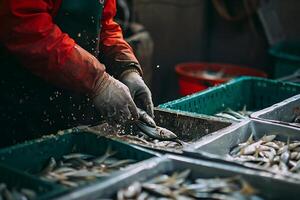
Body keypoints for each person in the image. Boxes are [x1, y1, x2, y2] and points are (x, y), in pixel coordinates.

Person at [0, 0, 154, 147]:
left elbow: (104, 25)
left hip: (76, 101)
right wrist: (98, 82)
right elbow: (26, 29)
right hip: (24, 106)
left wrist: (127, 69)